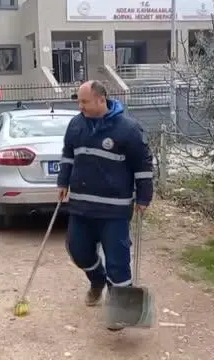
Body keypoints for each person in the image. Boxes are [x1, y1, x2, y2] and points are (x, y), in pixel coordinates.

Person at [57, 80, 154, 330]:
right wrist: (62, 181)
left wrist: (144, 197)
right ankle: (97, 281)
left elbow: (143, 166)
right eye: (78, 101)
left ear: (101, 99)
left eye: (84, 101)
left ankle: (120, 310)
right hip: (81, 206)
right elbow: (68, 153)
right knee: (78, 250)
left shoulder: (129, 129)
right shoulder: (76, 125)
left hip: (114, 210)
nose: (80, 106)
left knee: (118, 262)